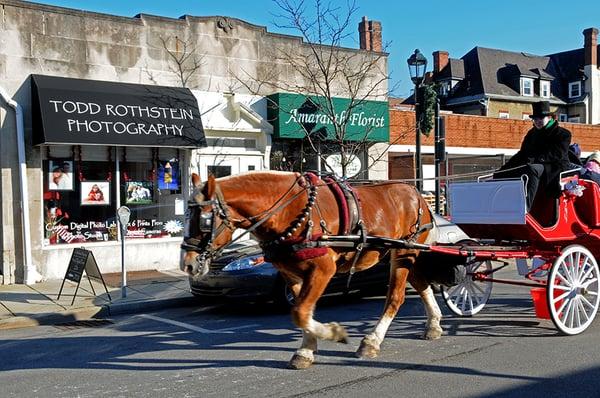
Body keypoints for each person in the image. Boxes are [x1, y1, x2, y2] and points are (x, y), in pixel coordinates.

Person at [494, 100, 572, 209]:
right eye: (535, 119)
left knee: (532, 169)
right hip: (536, 164)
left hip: (554, 168)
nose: (537, 121)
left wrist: (535, 159)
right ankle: (500, 204)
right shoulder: (532, 134)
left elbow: (557, 154)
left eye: (541, 118)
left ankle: (526, 207)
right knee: (505, 173)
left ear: (549, 118)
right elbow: (522, 154)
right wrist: (504, 169)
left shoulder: (563, 134)